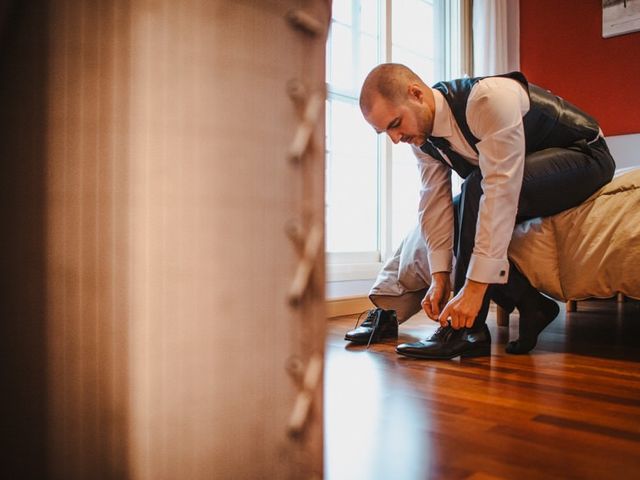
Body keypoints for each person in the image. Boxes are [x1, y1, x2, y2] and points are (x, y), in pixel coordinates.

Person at [345, 63, 615, 359]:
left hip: (586, 156)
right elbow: (434, 204)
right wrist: (440, 275)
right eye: (385, 133)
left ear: (416, 94)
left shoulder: (486, 100)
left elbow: (500, 190)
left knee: (478, 187)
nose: (395, 139)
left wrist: (473, 290)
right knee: (463, 210)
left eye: (395, 124)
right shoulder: (422, 140)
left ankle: (465, 330)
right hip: (524, 175)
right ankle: (531, 304)